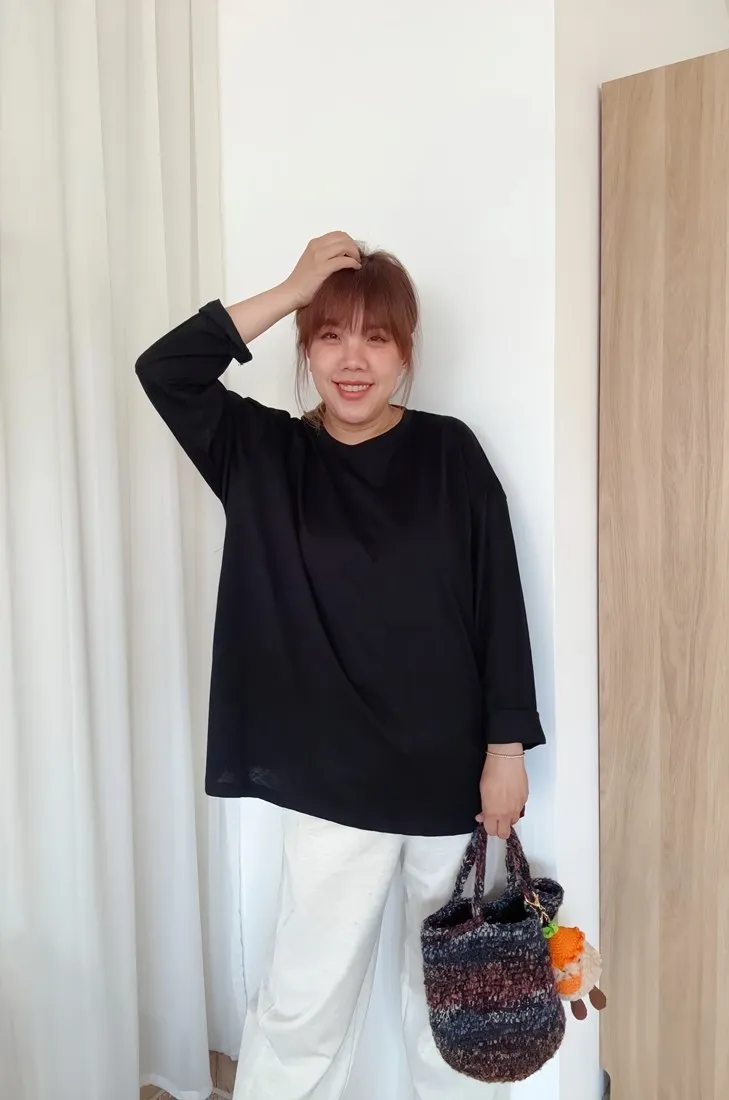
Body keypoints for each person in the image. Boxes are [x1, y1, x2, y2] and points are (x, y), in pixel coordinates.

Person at [136, 232, 545, 1100]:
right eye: (330, 336)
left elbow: (497, 605)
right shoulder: (262, 454)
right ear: (305, 348)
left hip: (452, 780)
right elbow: (165, 369)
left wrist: (504, 751)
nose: (353, 361)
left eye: (376, 338)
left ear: (405, 352)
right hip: (331, 784)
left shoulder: (450, 454)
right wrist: (293, 288)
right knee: (304, 1003)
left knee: (454, 1003)